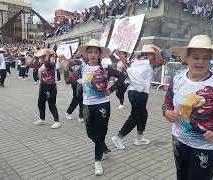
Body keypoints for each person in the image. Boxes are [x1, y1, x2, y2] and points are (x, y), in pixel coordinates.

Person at [162, 35, 213, 180]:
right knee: (181, 175)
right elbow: (167, 103)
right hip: (179, 140)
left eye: (205, 58)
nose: (200, 62)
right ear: (187, 58)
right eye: (195, 57)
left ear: (210, 60)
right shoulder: (177, 80)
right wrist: (166, 112)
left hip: (206, 147)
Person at [77, 39, 126, 175]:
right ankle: (103, 147)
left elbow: (122, 76)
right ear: (86, 54)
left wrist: (110, 90)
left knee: (100, 134)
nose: (93, 54)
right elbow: (71, 79)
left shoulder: (104, 69)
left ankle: (97, 161)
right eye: (90, 52)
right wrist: (66, 67)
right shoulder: (82, 68)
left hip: (102, 105)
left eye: (95, 52)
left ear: (99, 54)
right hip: (87, 106)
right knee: (90, 133)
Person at [112, 45, 156, 150]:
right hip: (138, 93)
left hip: (137, 93)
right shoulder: (145, 66)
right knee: (136, 116)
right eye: (151, 55)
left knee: (143, 114)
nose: (153, 57)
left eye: (153, 55)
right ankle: (118, 137)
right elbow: (137, 80)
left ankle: (139, 138)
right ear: (146, 55)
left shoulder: (137, 64)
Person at [33, 49, 61, 129]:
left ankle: (57, 121)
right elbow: (32, 64)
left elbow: (47, 63)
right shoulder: (41, 64)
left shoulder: (51, 63)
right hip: (43, 86)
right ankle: (42, 119)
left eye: (43, 56)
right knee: (40, 103)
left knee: (51, 104)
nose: (41, 58)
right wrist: (35, 55)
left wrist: (48, 55)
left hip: (51, 87)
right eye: (41, 57)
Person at [63, 53, 84, 123]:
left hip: (80, 83)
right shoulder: (78, 61)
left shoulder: (82, 61)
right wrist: (72, 61)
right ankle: (80, 117)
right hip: (77, 83)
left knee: (77, 98)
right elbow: (76, 63)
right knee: (80, 99)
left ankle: (69, 112)